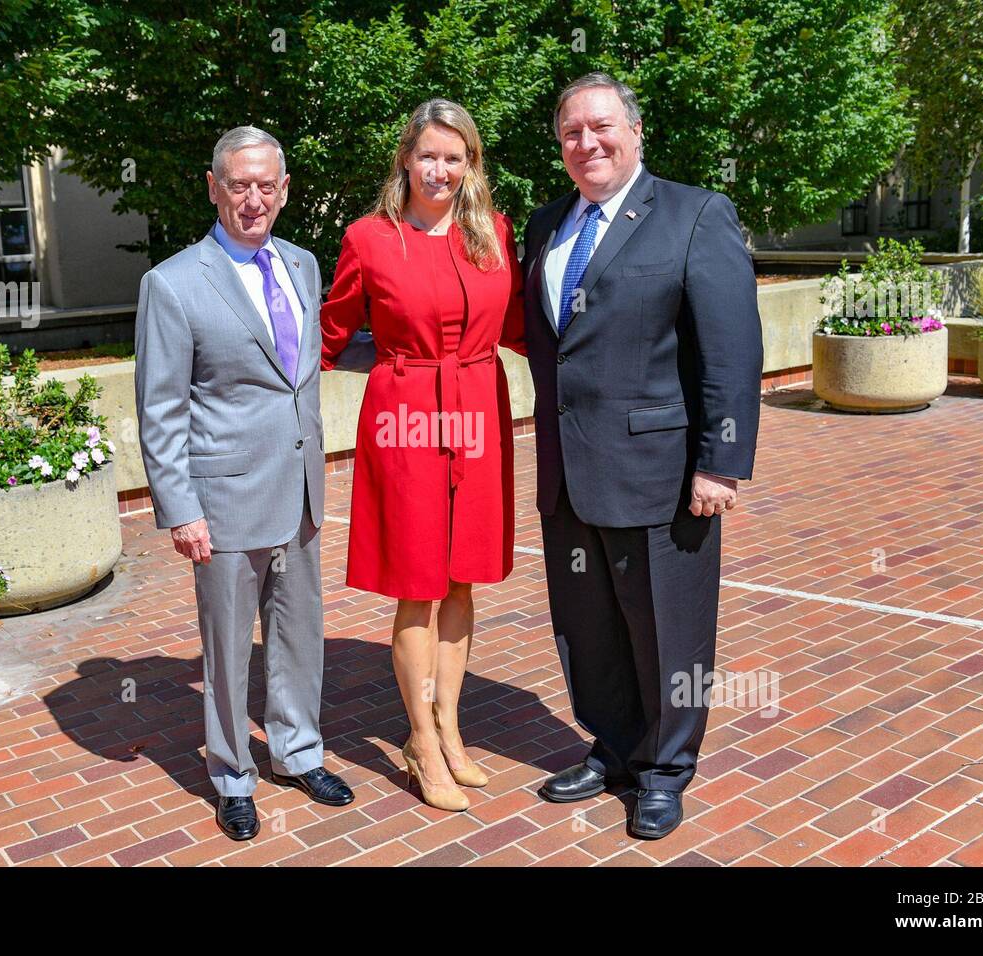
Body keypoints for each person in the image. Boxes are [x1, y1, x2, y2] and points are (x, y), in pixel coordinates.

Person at [520, 73, 763, 839]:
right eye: (570, 133)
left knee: (668, 626)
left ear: (635, 130)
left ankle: (666, 769)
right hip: (569, 472)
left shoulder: (695, 214)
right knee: (588, 626)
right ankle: (615, 748)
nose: (586, 144)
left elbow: (732, 348)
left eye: (600, 128)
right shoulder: (547, 224)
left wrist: (720, 461)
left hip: (660, 473)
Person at [134, 126, 353, 842]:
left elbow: (299, 383)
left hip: (298, 492)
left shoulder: (302, 263)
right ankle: (232, 775)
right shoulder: (171, 283)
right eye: (238, 184)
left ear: (285, 190)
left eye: (267, 185)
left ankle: (297, 751)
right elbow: (161, 407)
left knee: (298, 635)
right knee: (227, 651)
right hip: (223, 502)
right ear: (213, 186)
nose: (252, 199)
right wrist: (180, 508)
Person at [319, 99, 526, 812]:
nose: (439, 170)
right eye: (428, 155)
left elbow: (526, 325)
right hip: (406, 410)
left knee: (464, 580)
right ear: (405, 157)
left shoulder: (492, 233)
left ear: (471, 164)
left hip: (476, 407)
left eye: (454, 156)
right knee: (419, 583)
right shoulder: (370, 238)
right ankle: (420, 741)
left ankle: (449, 724)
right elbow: (332, 332)